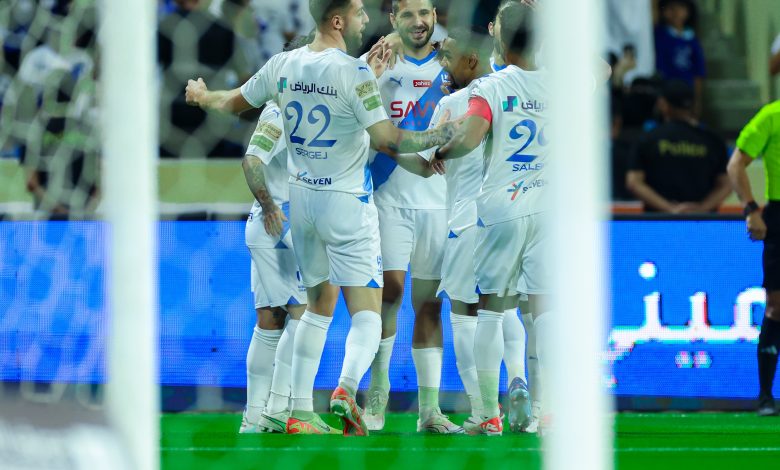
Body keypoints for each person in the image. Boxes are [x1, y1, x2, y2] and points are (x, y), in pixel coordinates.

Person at [185, 0, 456, 435]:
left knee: (313, 310)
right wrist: (440, 134)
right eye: (359, 12)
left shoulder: (283, 64)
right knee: (368, 313)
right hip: (347, 205)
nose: (365, 19)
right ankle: (347, 388)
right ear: (338, 20)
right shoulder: (355, 73)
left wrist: (201, 96)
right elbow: (388, 141)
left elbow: (235, 102)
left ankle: (296, 411)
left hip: (303, 204)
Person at [433, 2, 548, 436]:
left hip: (500, 208)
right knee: (543, 310)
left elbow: (472, 135)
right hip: (549, 209)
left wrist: (442, 150)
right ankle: (542, 412)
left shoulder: (491, 88)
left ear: (499, 40)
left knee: (490, 311)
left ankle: (486, 413)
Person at [360, 0, 461, 434]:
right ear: (392, 20)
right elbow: (367, 128)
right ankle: (378, 389)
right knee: (390, 294)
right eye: (408, 15)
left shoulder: (456, 61)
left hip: (440, 199)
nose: (419, 23)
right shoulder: (374, 64)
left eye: (426, 13)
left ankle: (429, 411)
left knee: (430, 305)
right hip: (388, 196)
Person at [239, 98, 309, 433]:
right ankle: (279, 407)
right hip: (278, 224)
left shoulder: (309, 99)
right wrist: (268, 206)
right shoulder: (279, 111)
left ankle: (253, 417)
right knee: (306, 314)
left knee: (270, 321)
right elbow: (251, 160)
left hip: (274, 225)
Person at [727, 100, 780, 416]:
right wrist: (750, 209)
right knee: (777, 305)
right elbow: (736, 164)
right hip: (779, 214)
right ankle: (765, 396)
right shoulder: (772, 116)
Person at [626, 80, 731, 213]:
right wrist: (701, 209)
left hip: (657, 223)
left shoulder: (648, 139)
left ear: (663, 104)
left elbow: (634, 183)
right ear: (693, 105)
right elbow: (726, 184)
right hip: (703, 224)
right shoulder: (713, 140)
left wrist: (671, 209)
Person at [653, 0, 705, 116]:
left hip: (687, 88)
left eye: (681, 8)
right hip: (665, 88)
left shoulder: (692, 39)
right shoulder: (658, 35)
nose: (676, 12)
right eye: (671, 8)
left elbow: (698, 72)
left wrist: (697, 101)